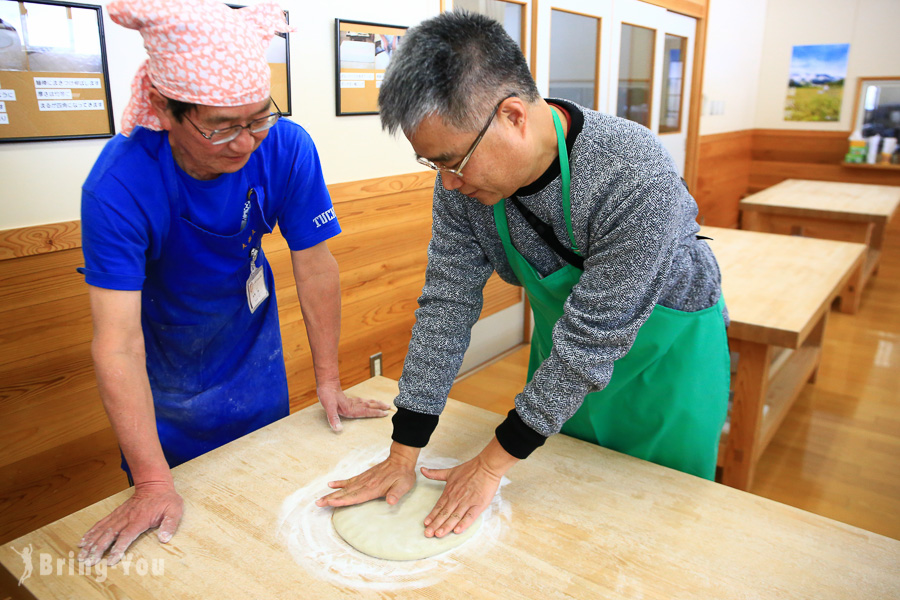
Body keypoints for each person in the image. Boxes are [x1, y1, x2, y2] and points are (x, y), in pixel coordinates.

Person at [317, 10, 730, 540]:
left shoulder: (632, 171)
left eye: (454, 161)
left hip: (667, 366)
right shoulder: (464, 188)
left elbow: (592, 340)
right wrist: (404, 452)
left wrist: (489, 464)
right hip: (564, 360)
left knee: (657, 528)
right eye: (432, 164)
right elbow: (446, 306)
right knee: (565, 521)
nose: (447, 184)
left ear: (513, 115)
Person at [76, 0, 388, 566]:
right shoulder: (119, 185)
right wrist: (150, 480)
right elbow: (117, 342)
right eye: (221, 128)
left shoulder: (285, 146)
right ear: (167, 112)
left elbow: (315, 264)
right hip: (163, 397)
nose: (246, 143)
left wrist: (329, 381)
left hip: (254, 368)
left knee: (265, 538)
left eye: (257, 118)